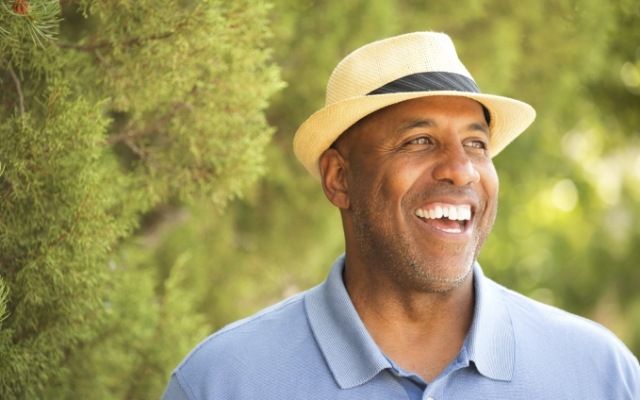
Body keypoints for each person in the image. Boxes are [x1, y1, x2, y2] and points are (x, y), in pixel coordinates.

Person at [162, 32, 640, 399]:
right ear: (339, 179)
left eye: (476, 144)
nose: (460, 170)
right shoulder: (223, 381)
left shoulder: (600, 374)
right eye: (419, 141)